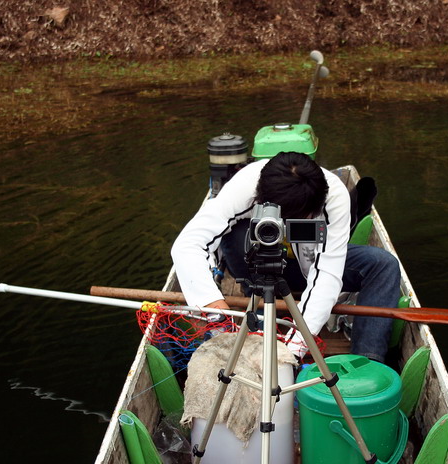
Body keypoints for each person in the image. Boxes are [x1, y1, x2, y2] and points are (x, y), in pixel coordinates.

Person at [171, 151, 401, 363]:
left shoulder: (334, 196)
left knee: (383, 264)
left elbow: (328, 274)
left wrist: (296, 346)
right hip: (256, 267)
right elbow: (188, 244)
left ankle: (367, 362)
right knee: (235, 234)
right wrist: (212, 307)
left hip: (309, 266)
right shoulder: (245, 184)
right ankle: (257, 297)